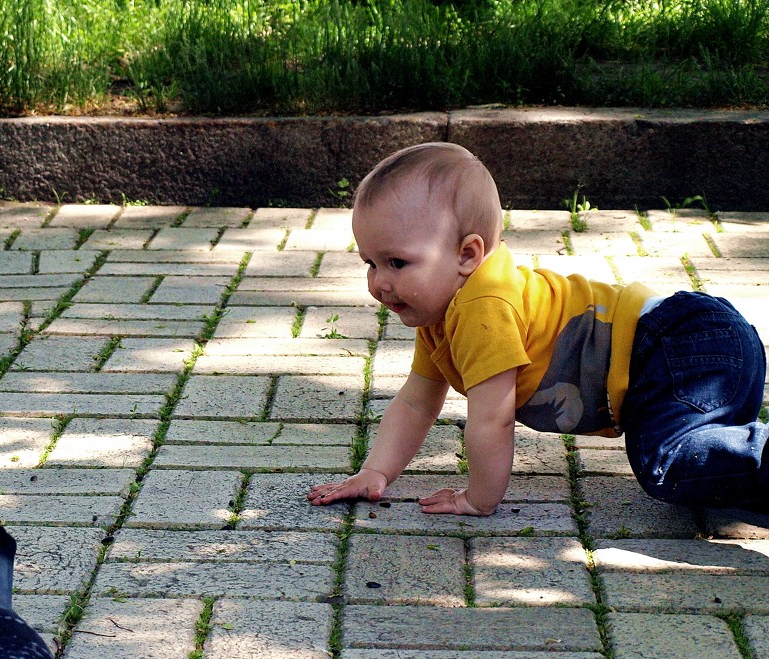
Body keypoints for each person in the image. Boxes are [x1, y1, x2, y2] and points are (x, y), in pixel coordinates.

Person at [306, 142, 768, 516]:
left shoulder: (483, 309)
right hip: (700, 346)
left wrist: (479, 498)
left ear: (468, 254)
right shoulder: (442, 315)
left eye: (397, 262)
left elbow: (494, 417)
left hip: (678, 349)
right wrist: (376, 472)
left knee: (665, 463)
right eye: (370, 262)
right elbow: (415, 401)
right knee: (703, 473)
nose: (379, 282)